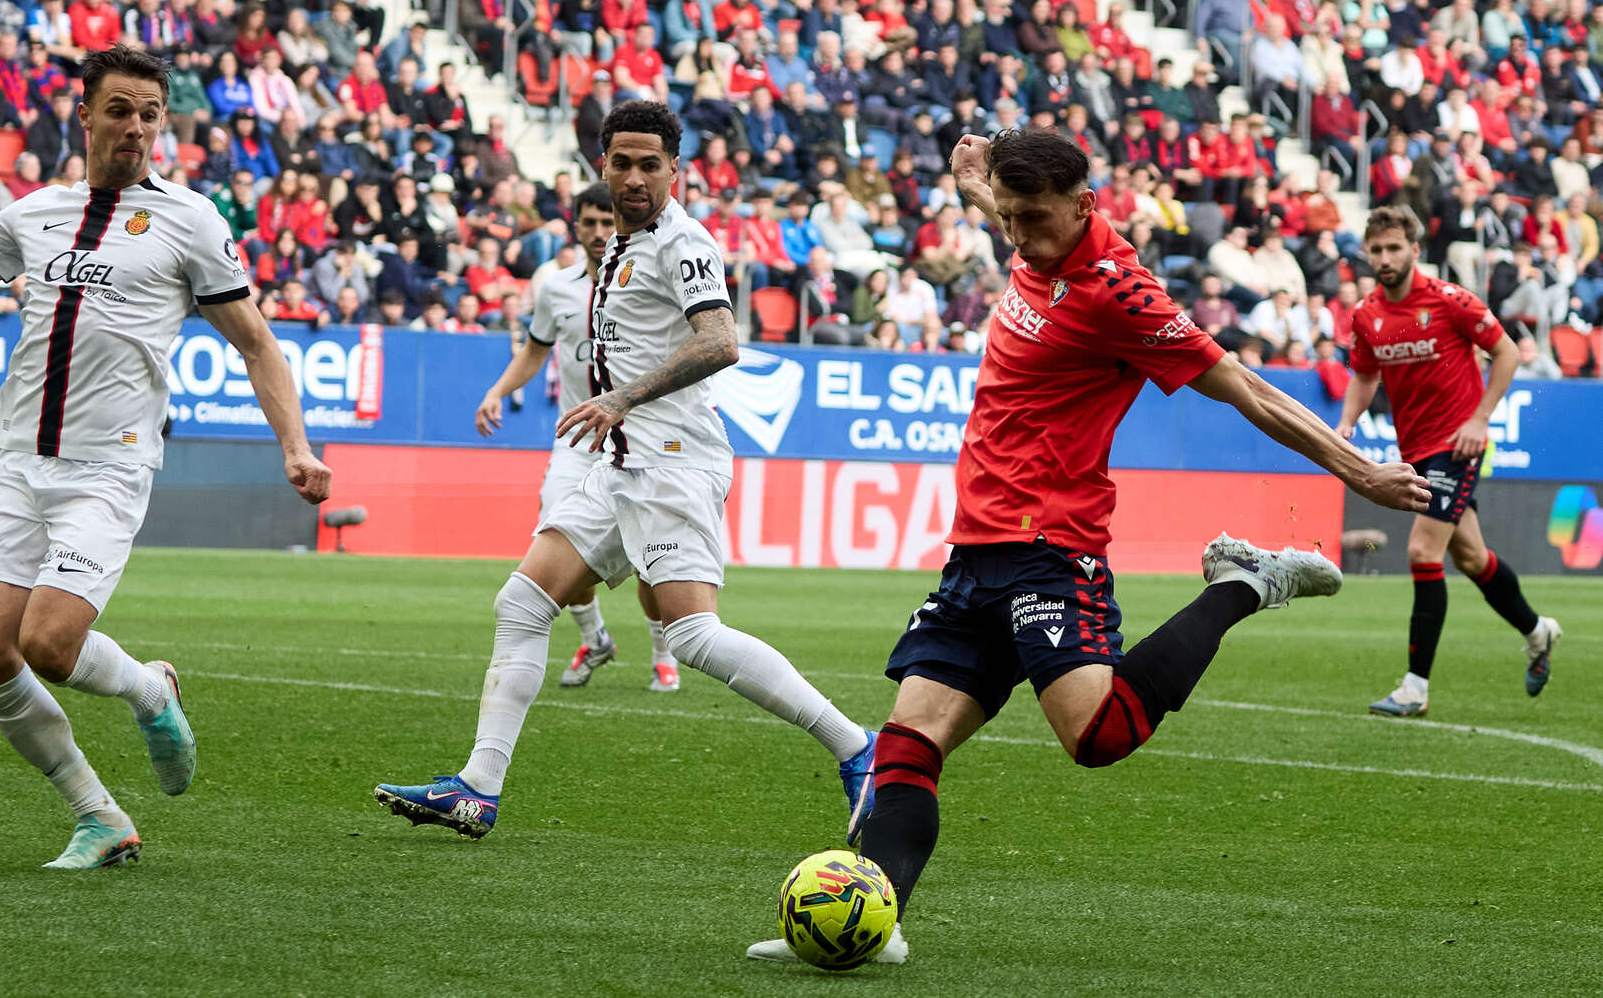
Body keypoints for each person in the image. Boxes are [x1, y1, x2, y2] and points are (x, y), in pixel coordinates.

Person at [745, 129, 1430, 965]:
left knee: (1096, 736)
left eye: (1032, 218)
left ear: (1083, 206)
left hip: (1050, 546)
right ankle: (872, 925)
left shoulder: (1121, 295)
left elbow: (1245, 385)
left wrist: (1357, 469)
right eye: (1006, 216)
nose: (1016, 234)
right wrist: (971, 177)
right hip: (977, 551)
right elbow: (996, 205)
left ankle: (1244, 582)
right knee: (907, 740)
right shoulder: (1028, 232)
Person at [0, 45, 332, 870]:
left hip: (109, 466)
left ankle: (149, 690)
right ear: (83, 113)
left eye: (150, 114)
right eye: (120, 109)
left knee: (51, 642)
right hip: (20, 459)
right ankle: (99, 815)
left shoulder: (191, 220)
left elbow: (259, 344)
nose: (135, 127)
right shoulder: (35, 213)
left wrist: (296, 446)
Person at [374, 101, 876, 840]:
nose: (634, 177)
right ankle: (477, 787)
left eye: (650, 164)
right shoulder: (618, 246)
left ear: (676, 169)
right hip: (618, 462)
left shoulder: (684, 243)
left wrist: (624, 396)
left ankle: (860, 749)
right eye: (621, 162)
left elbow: (721, 340)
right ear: (600, 166)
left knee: (695, 634)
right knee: (521, 603)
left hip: (672, 459)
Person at [1336, 207, 1563, 717]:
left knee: (1421, 550)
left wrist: (1480, 420)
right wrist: (1346, 424)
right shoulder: (1367, 314)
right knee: (1471, 558)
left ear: (1415, 250)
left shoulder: (1449, 300)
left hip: (1458, 444)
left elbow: (1507, 354)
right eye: (1377, 250)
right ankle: (1537, 631)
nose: (1386, 258)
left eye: (1395, 248)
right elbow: (1364, 374)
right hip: (1414, 449)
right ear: (1367, 254)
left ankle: (1415, 687)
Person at [472, 183, 679, 692]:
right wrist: (498, 390)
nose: (597, 232)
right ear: (576, 227)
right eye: (588, 222)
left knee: (651, 556)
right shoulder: (556, 290)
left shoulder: (647, 283)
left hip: (640, 439)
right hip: (576, 442)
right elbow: (534, 351)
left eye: (606, 222)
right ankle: (595, 638)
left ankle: (661, 650)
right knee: (555, 536)